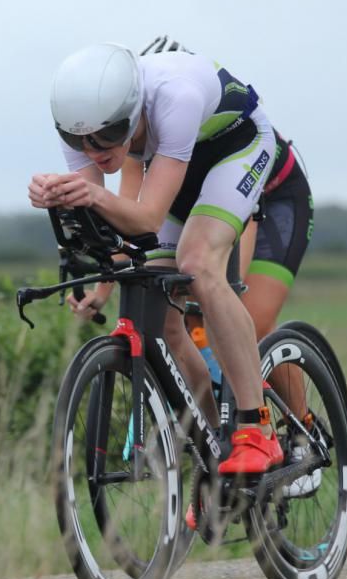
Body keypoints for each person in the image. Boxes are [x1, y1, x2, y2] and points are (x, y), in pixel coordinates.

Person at [28, 40, 296, 479]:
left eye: (109, 136)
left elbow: (146, 217)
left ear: (132, 112)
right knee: (160, 316)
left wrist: (92, 194)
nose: (93, 149)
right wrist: (57, 199)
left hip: (236, 149)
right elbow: (111, 227)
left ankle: (256, 426)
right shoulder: (84, 126)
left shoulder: (176, 96)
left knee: (199, 263)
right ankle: (216, 440)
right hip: (180, 169)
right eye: (78, 139)